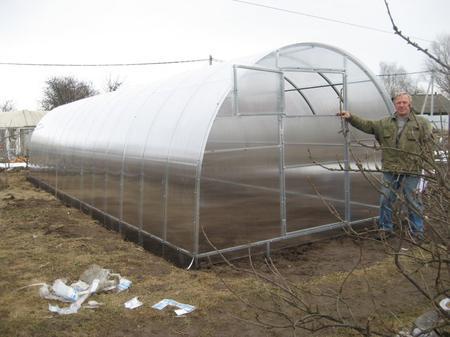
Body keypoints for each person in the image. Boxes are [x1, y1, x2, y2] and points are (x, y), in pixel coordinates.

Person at [337, 92, 433, 241]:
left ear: (410, 104)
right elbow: (367, 125)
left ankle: (417, 232)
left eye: (404, 103)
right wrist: (350, 117)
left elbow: (429, 145)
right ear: (395, 105)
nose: (401, 105)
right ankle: (385, 229)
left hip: (412, 169)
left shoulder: (422, 123)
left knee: (413, 201)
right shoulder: (385, 123)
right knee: (386, 200)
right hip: (390, 169)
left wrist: (429, 167)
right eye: (398, 103)